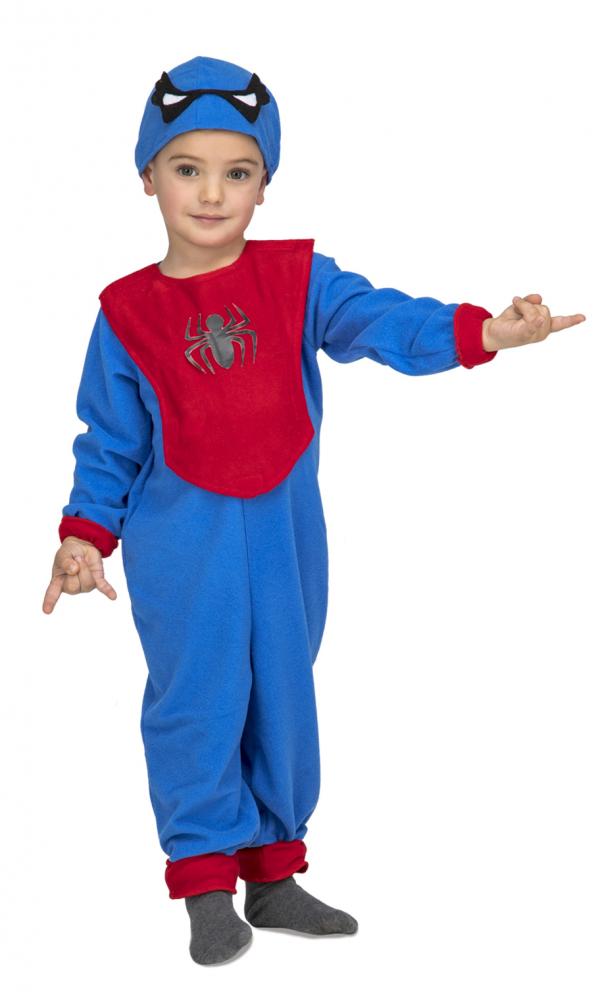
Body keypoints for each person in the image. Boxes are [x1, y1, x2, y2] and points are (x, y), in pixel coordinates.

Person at [42, 54, 586, 967]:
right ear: (147, 175)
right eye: (187, 168)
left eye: (238, 171)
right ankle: (205, 882)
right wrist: (82, 534)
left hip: (285, 544)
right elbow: (110, 441)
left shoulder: (298, 280)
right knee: (199, 701)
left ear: (265, 184)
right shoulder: (128, 313)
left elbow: (382, 320)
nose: (211, 193)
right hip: (185, 552)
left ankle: (274, 872)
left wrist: (485, 330)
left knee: (284, 697)